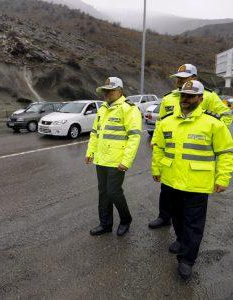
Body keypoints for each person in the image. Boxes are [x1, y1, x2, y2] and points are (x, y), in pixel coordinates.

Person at [151, 80, 233, 279]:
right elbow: (159, 148)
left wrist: (222, 178)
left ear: (200, 98)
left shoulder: (213, 123)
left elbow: (225, 152)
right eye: (182, 96)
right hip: (171, 181)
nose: (185, 99)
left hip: (197, 183)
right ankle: (180, 240)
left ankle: (187, 259)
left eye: (189, 96)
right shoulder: (167, 121)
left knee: (194, 224)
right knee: (177, 217)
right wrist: (156, 169)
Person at [148, 64, 233, 229]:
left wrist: (213, 134)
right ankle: (164, 216)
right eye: (178, 77)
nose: (179, 80)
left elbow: (225, 114)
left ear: (194, 78)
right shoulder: (169, 97)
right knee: (166, 189)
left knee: (189, 202)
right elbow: (161, 121)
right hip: (171, 152)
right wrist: (156, 139)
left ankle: (185, 235)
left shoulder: (207, 96)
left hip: (193, 157)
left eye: (183, 77)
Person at [85, 77, 142, 236]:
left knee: (114, 192)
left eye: (110, 91)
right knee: (103, 192)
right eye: (105, 91)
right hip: (101, 159)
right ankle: (105, 224)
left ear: (119, 91)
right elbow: (95, 133)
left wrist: (126, 161)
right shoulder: (103, 108)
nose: (106, 94)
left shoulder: (129, 108)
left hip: (117, 161)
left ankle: (125, 219)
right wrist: (90, 152)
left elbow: (134, 136)